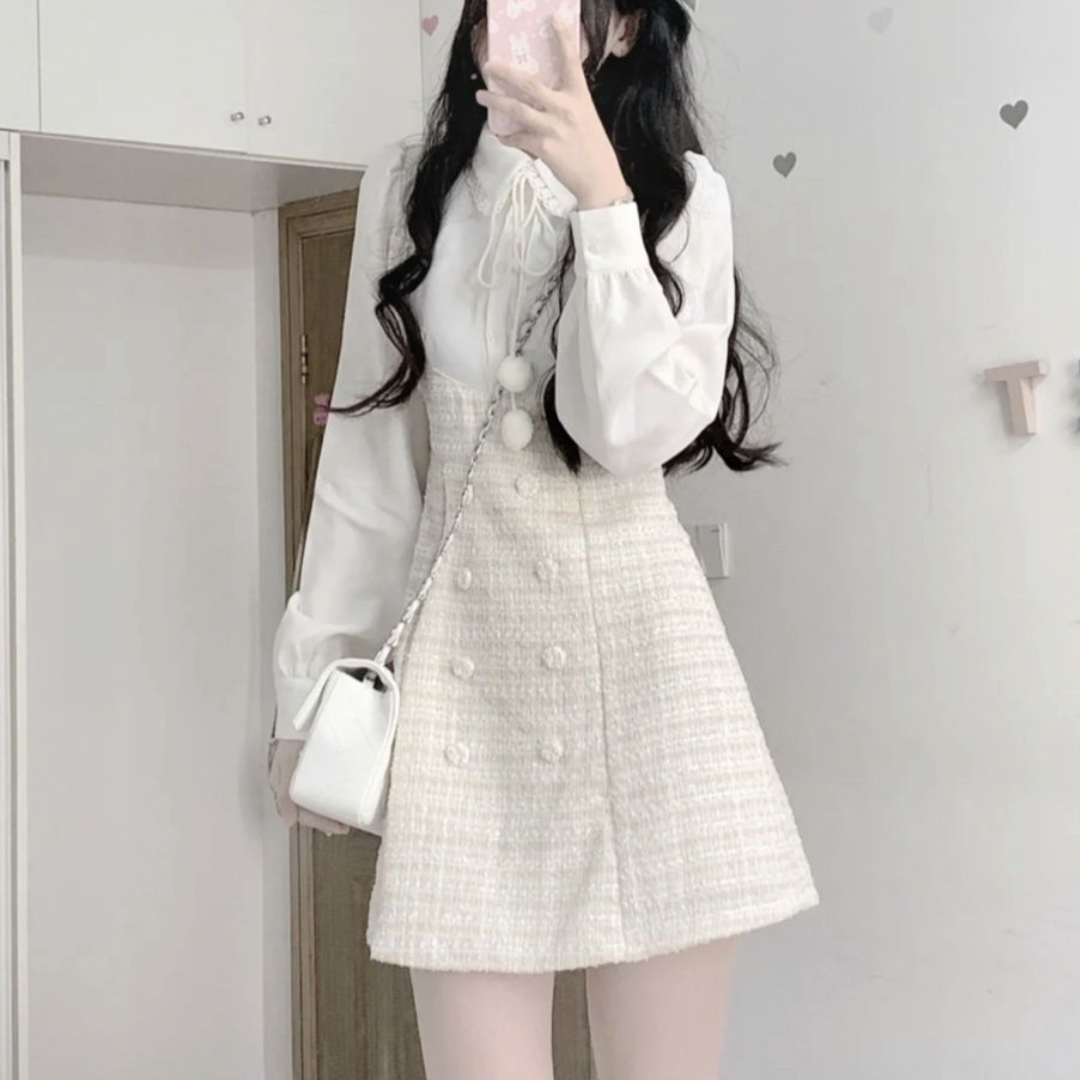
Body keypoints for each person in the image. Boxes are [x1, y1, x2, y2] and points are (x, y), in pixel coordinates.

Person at [268, 1, 819, 1076]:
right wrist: (309, 691)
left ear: (624, 29)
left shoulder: (683, 195)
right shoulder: (407, 188)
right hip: (466, 704)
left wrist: (602, 200)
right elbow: (370, 473)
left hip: (652, 695)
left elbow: (627, 435)